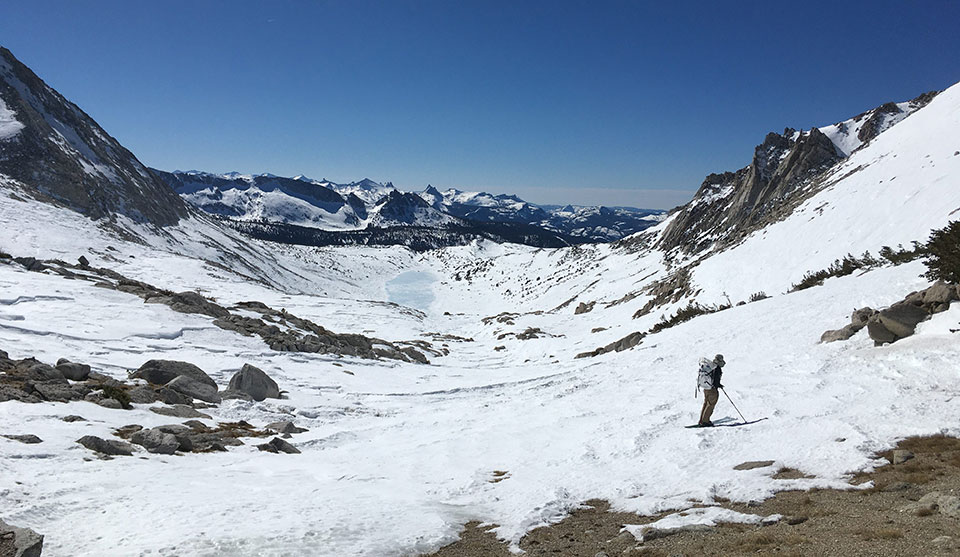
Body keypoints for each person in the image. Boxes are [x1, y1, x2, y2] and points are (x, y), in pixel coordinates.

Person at [697, 354, 725, 427]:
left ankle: (701, 420)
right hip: (712, 389)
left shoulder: (710, 366)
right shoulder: (717, 368)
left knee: (706, 403)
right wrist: (719, 385)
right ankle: (705, 422)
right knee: (710, 405)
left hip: (706, 388)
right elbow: (716, 380)